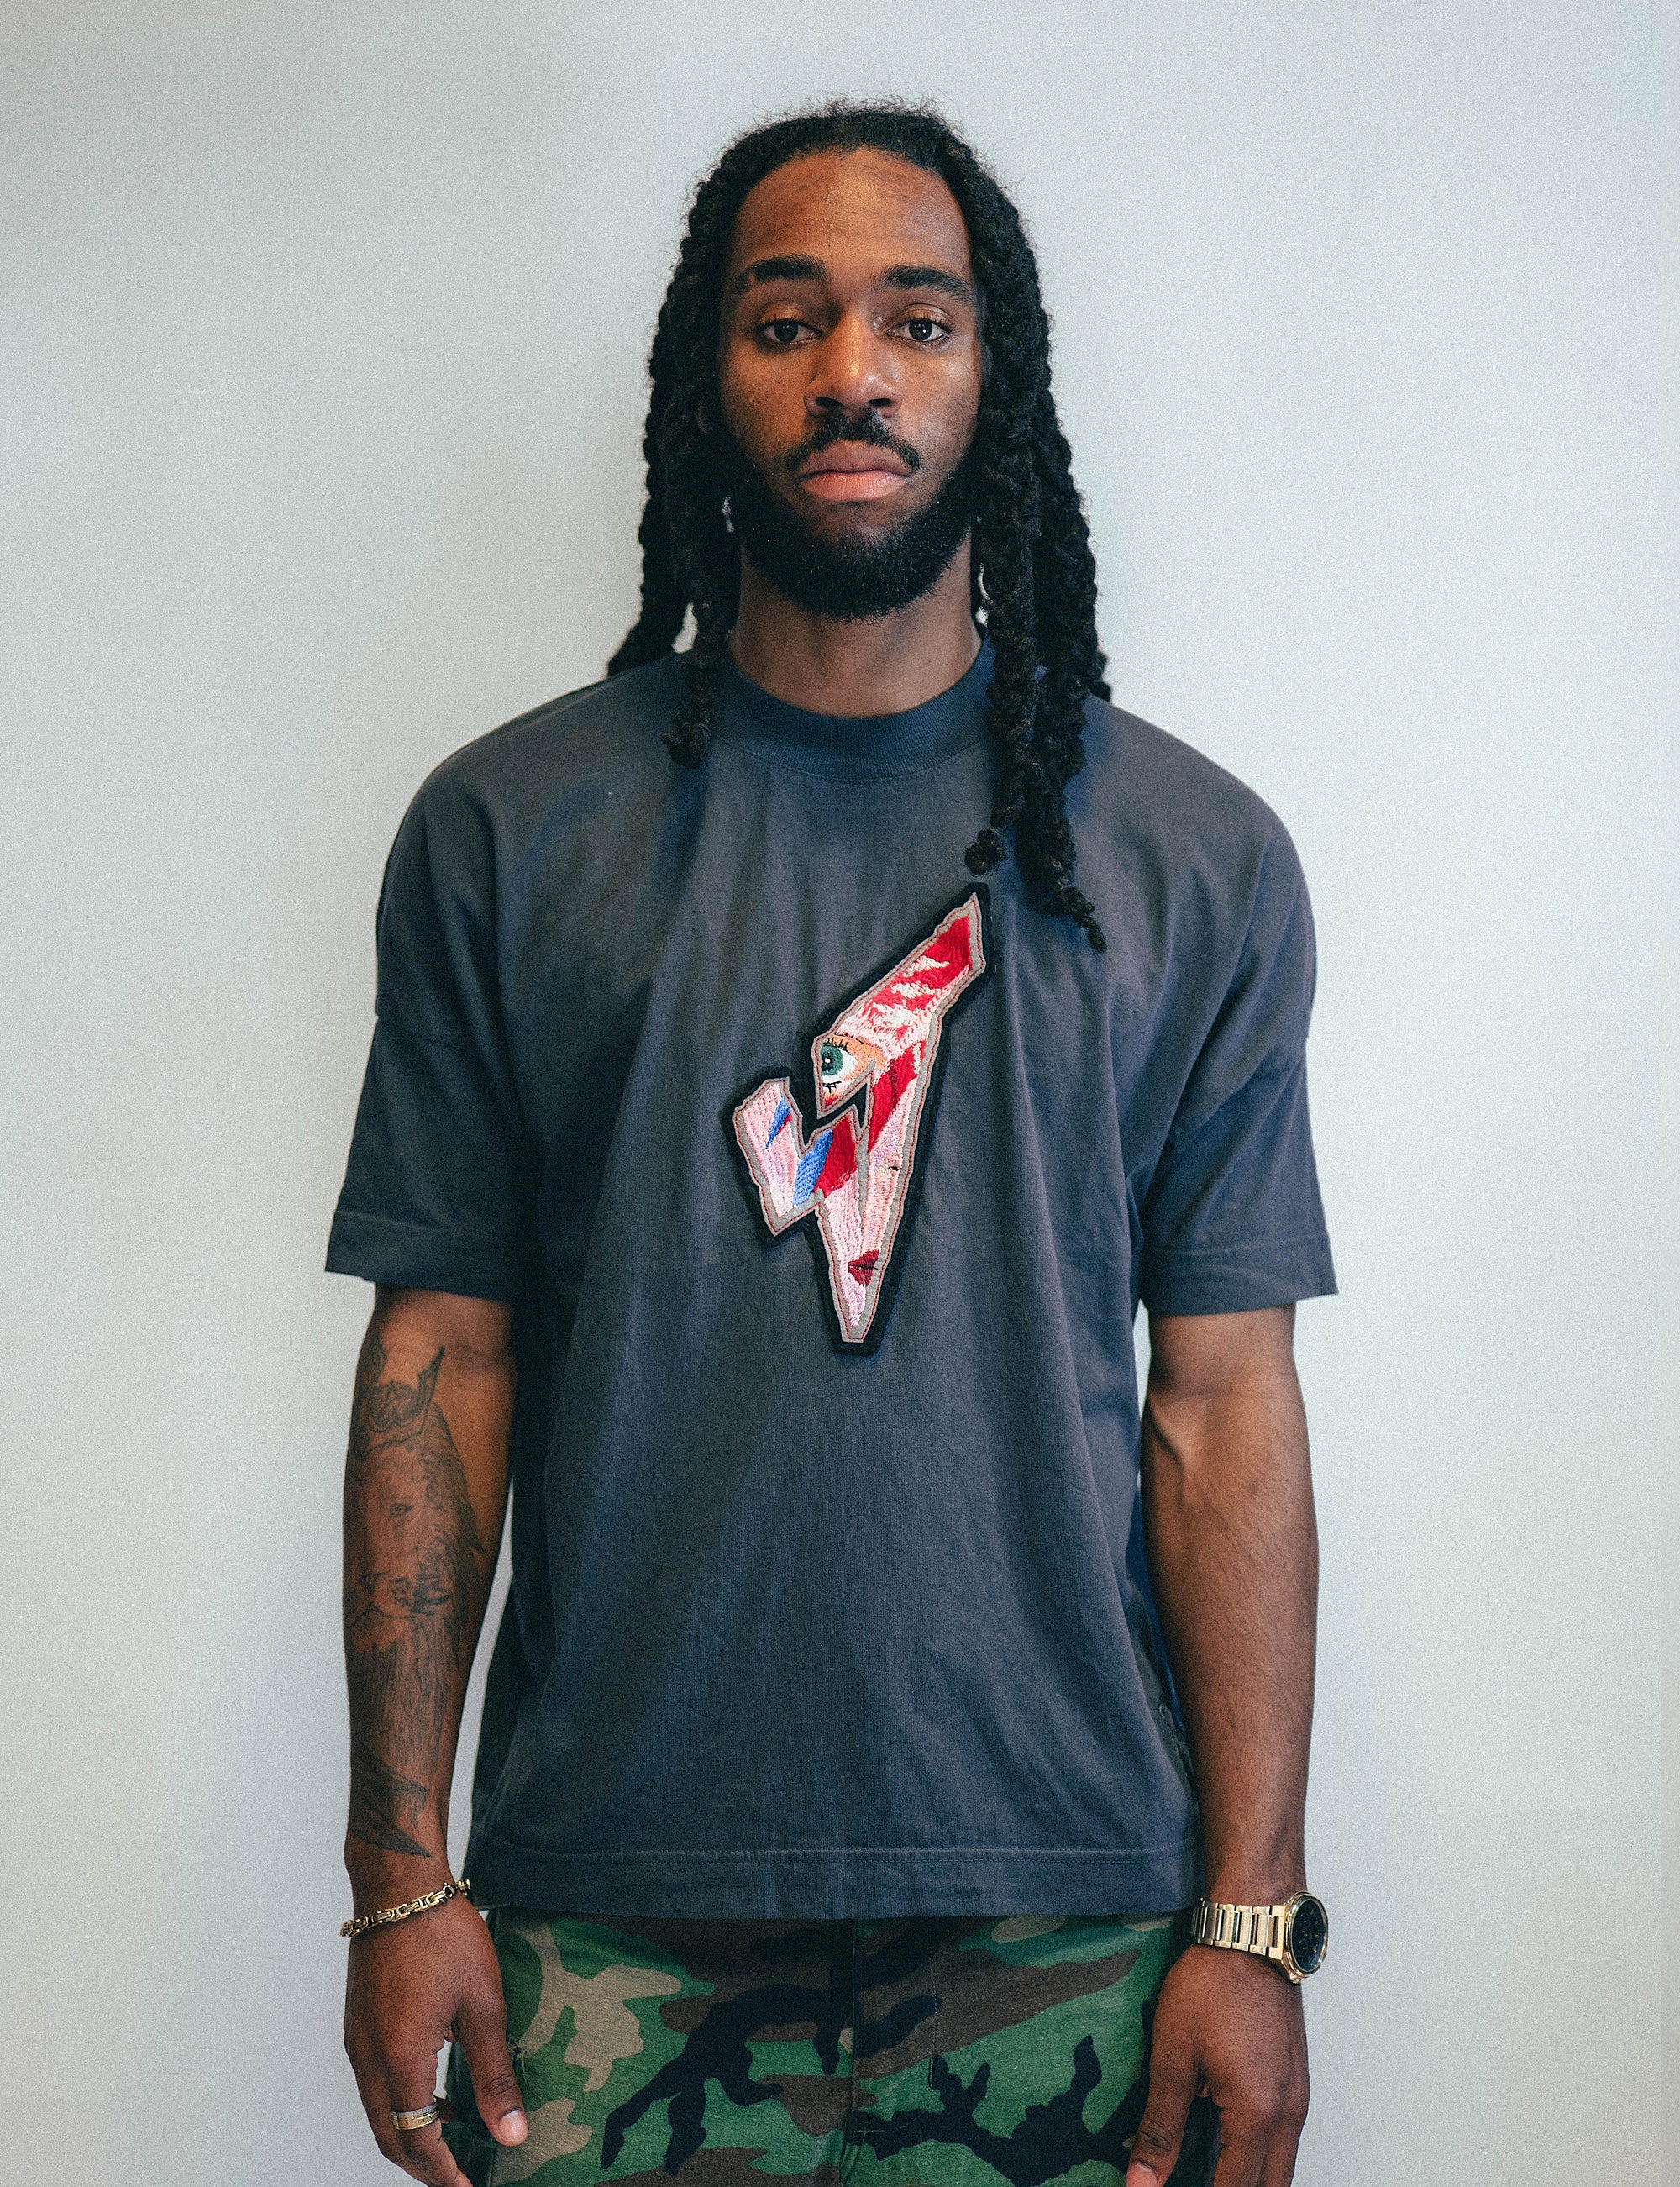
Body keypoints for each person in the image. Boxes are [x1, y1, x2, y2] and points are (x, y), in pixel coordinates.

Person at [328, 101, 1336, 2187]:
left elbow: (1222, 1408)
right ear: (709, 380)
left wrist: (1251, 1920)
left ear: (995, 378)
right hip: (606, 1920)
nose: (852, 372)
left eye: (918, 321)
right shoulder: (508, 834)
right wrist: (398, 1875)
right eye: (785, 321)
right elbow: (443, 1353)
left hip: (1074, 1915)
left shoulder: (1192, 857)